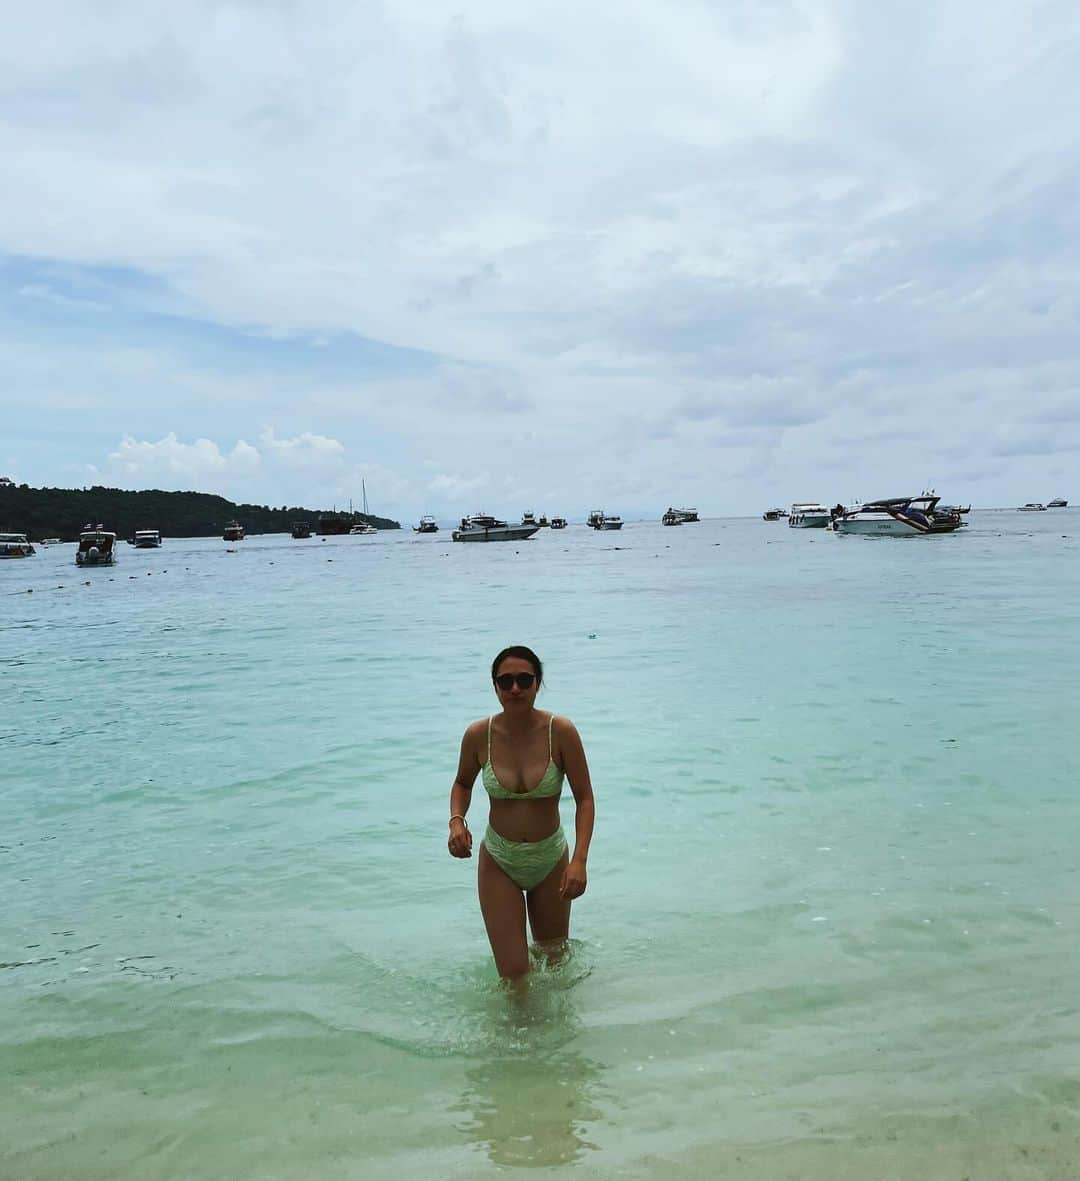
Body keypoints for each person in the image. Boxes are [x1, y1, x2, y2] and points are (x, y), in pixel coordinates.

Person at [447, 645, 595, 979]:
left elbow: (585, 798)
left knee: (555, 963)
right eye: (506, 681)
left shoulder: (561, 732)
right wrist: (457, 821)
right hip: (500, 859)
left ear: (538, 684)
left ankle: (557, 1030)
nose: (515, 688)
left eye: (525, 680)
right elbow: (461, 784)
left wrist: (580, 861)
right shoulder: (478, 736)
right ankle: (514, 1031)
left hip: (551, 857)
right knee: (513, 973)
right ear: (495, 686)